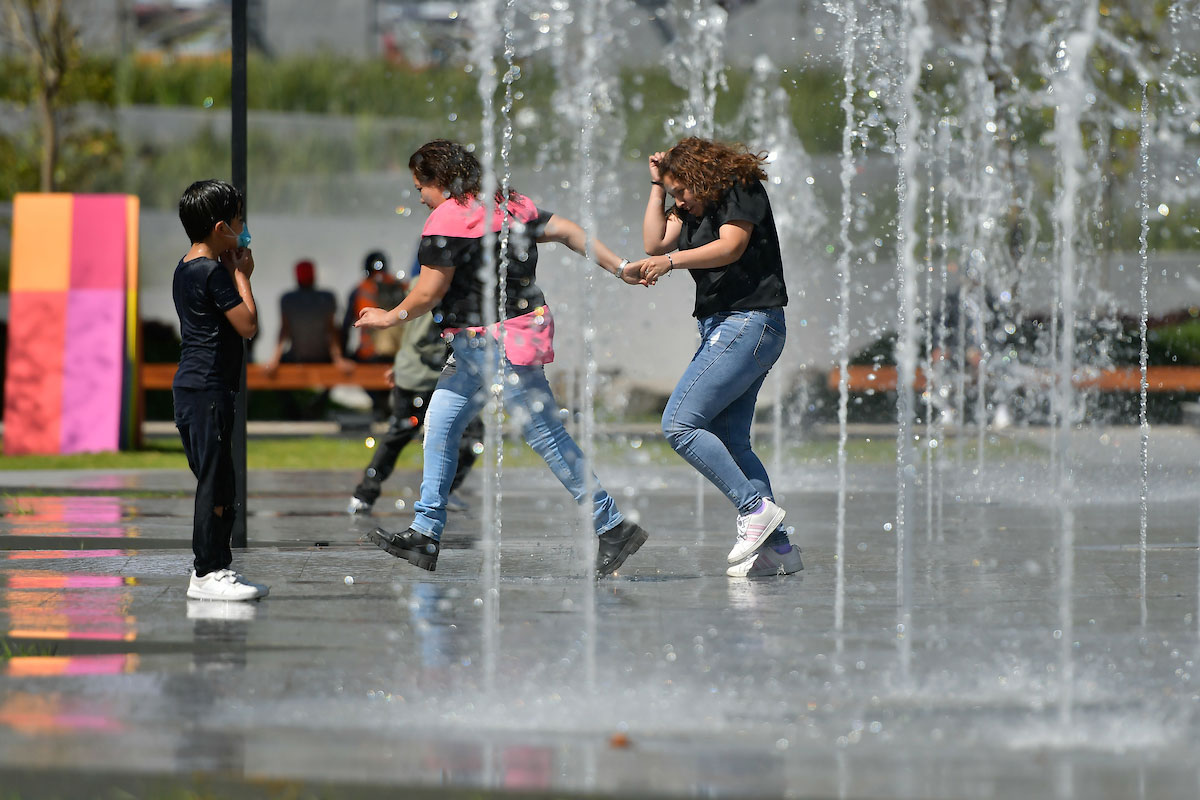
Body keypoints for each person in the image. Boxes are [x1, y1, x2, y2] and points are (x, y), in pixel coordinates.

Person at [355, 138, 649, 576]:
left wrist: (386, 318)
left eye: (421, 187)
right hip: (493, 339)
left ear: (438, 181)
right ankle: (426, 531)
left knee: (545, 434)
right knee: (440, 424)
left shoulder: (446, 219)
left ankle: (612, 525)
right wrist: (620, 266)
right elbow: (567, 230)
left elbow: (428, 292)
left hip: (493, 343)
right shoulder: (510, 204)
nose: (419, 197)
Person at [633, 137, 802, 578]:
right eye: (673, 194)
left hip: (749, 321)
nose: (679, 201)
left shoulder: (738, 188)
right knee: (731, 441)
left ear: (699, 176)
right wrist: (656, 187)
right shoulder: (689, 207)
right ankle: (778, 550)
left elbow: (730, 246)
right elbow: (655, 242)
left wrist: (672, 263)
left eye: (681, 191)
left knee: (679, 424)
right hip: (726, 326)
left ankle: (753, 510)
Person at [172, 179, 269, 601]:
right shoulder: (212, 272)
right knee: (214, 483)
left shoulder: (185, 267)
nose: (242, 228)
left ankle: (218, 567)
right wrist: (241, 274)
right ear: (219, 228)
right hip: (207, 387)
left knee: (221, 483)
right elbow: (248, 325)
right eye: (238, 221)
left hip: (197, 388)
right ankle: (206, 571)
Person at [346, 258, 483, 516]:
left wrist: (400, 363)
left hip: (416, 373)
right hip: (425, 378)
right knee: (465, 433)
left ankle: (366, 494)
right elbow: (422, 340)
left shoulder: (418, 285)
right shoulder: (438, 290)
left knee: (401, 436)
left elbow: (405, 331)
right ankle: (366, 493)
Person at [263, 259, 354, 419]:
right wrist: (338, 358)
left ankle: (293, 410)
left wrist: (274, 359)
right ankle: (316, 405)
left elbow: (284, 331)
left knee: (276, 374)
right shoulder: (326, 297)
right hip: (321, 356)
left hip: (298, 356)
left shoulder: (288, 299)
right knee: (337, 370)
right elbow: (331, 331)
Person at [342, 250, 408, 418]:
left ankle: (380, 404)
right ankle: (386, 405)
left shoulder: (361, 289)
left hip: (371, 354)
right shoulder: (401, 286)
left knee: (355, 361)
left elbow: (346, 325)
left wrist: (342, 355)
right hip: (401, 353)